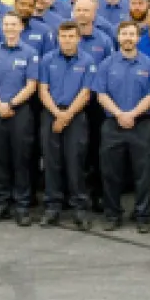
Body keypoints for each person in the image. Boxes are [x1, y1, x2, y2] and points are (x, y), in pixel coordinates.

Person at [97, 21, 150, 232]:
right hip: (113, 124)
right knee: (111, 173)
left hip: (141, 125)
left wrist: (132, 114)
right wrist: (120, 114)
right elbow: (101, 94)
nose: (128, 38)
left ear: (138, 38)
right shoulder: (106, 64)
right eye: (124, 34)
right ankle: (112, 214)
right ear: (118, 37)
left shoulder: (149, 64)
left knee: (144, 173)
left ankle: (143, 215)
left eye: (132, 34)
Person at [0, 12, 38, 226]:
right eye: (7, 24)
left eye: (14, 24)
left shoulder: (30, 53)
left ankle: (22, 205)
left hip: (20, 112)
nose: (10, 28)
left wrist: (11, 104)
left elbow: (31, 85)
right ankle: (0, 204)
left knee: (21, 159)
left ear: (21, 27)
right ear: (2, 27)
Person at [39, 21, 96, 230]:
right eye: (63, 37)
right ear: (58, 38)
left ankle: (79, 208)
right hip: (51, 113)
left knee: (75, 161)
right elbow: (42, 90)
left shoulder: (87, 61)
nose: (67, 40)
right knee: (51, 161)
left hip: (76, 116)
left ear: (78, 38)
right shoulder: (47, 60)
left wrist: (67, 115)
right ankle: (52, 206)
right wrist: (57, 114)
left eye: (71, 36)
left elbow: (86, 92)